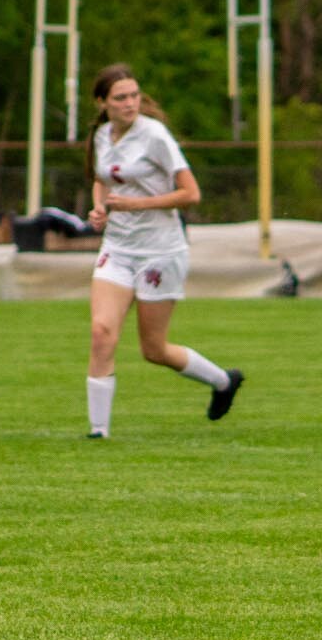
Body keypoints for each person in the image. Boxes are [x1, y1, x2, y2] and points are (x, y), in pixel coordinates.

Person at [83, 63, 242, 438]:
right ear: (102, 103)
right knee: (101, 332)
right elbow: (102, 179)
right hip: (118, 248)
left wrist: (135, 205)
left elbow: (191, 193)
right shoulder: (102, 135)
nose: (130, 103)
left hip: (160, 251)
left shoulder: (154, 135)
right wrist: (100, 207)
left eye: (134, 95)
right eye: (120, 97)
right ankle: (98, 432)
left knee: (153, 349)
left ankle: (223, 381)